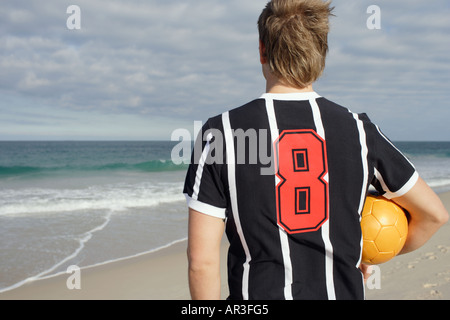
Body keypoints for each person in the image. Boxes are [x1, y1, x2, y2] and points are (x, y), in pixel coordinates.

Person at [183, 0, 448, 300]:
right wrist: (362, 252)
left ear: (261, 50)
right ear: (321, 53)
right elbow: (433, 215)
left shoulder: (221, 133)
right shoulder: (360, 131)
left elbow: (201, 263)